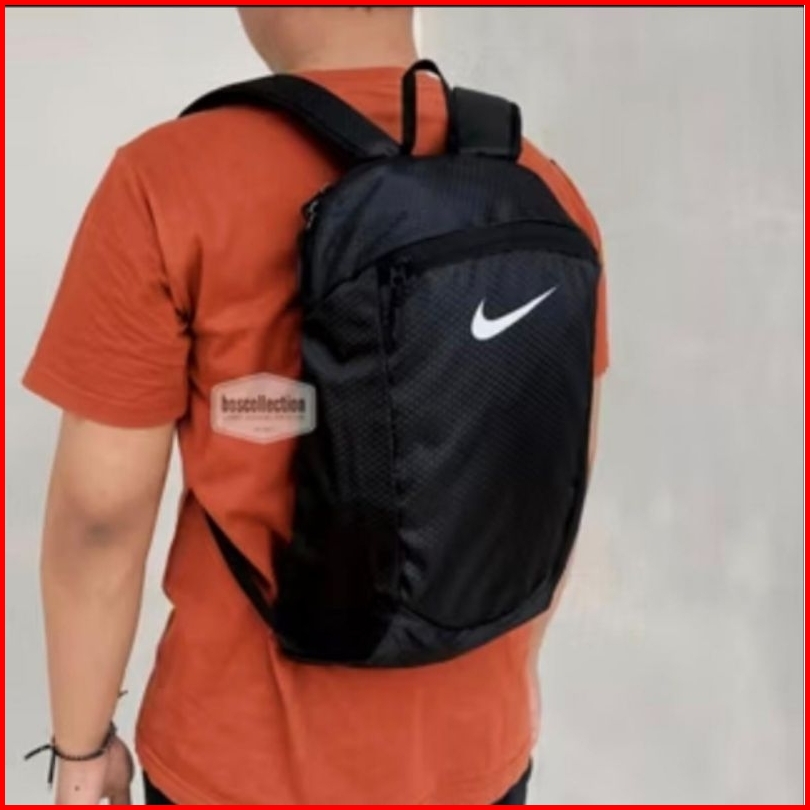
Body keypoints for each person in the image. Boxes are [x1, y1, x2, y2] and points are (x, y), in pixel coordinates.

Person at [23, 7, 608, 805]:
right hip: (481, 759)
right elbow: (556, 476)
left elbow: (101, 517)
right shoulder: (546, 188)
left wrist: (82, 748)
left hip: (237, 770)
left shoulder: (169, 179)